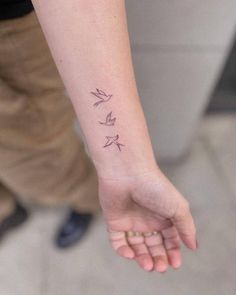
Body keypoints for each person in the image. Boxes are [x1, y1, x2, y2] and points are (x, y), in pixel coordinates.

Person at [0, 0, 198, 273]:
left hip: (8, 34)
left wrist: (125, 167)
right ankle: (6, 211)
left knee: (41, 163)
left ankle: (85, 202)